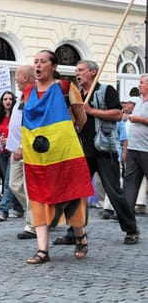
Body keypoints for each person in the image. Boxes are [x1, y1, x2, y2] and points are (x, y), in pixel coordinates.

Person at [54, 60, 139, 246]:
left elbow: (118, 114)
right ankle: (74, 232)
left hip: (104, 149)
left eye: (81, 70)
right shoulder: (76, 94)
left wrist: (91, 110)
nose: (77, 73)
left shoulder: (106, 90)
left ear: (93, 72)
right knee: (76, 193)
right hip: (82, 149)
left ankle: (131, 229)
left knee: (114, 192)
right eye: (76, 70)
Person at [22, 50, 93, 264]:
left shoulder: (65, 88)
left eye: (43, 61)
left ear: (53, 66)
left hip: (64, 155)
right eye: (35, 62)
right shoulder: (27, 92)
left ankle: (80, 235)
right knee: (38, 198)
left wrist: (64, 138)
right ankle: (42, 250)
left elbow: (81, 119)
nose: (38, 65)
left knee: (71, 196)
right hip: (37, 157)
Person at [5, 65, 37, 239]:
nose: (15, 79)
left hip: (26, 151)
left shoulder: (34, 95)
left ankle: (33, 225)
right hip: (15, 151)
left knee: (30, 188)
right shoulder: (21, 97)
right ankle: (42, 212)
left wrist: (23, 148)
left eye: (17, 76)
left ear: (25, 77)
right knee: (15, 185)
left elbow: (32, 125)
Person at [0, 90, 25, 221]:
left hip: (13, 152)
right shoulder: (0, 117)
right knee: (9, 181)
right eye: (5, 99)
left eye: (10, 99)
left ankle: (3, 210)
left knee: (8, 183)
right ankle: (18, 208)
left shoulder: (17, 115)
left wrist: (9, 140)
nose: (8, 101)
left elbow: (18, 132)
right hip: (2, 152)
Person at [122, 74, 148, 227]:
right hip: (133, 148)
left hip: (146, 149)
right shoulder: (138, 102)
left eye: (141, 83)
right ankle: (129, 224)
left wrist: (138, 119)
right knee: (129, 184)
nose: (139, 85)